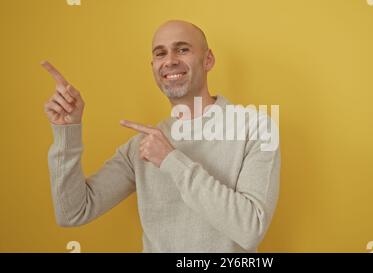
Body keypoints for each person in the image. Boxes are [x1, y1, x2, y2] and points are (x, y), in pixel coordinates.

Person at [42, 20, 280, 252]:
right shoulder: (142, 146)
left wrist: (171, 161)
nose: (170, 61)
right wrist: (67, 132)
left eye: (182, 49)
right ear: (154, 67)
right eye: (160, 53)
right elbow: (72, 212)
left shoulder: (256, 129)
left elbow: (251, 229)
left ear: (208, 60)